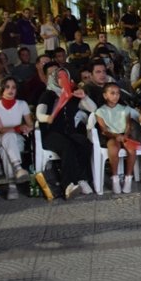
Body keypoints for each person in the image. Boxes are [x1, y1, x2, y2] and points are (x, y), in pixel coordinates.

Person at [35, 63, 95, 199]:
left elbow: (93, 109)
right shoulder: (48, 95)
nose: (63, 81)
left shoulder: (73, 95)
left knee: (84, 143)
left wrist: (84, 97)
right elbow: (39, 114)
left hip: (69, 132)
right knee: (67, 146)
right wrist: (47, 118)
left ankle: (82, 178)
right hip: (51, 134)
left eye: (65, 77)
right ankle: (67, 184)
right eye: (59, 77)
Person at [0, 77, 33, 198]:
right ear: (1, 89)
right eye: (7, 87)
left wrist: (28, 128)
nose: (10, 90)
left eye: (13, 87)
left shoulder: (22, 104)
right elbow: (1, 130)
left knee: (5, 149)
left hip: (16, 142)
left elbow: (30, 124)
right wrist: (19, 128)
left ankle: (12, 186)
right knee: (7, 136)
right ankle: (18, 168)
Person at [94, 83, 138, 194]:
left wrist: (125, 136)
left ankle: (128, 178)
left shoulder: (125, 109)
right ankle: (115, 178)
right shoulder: (100, 111)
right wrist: (115, 136)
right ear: (105, 96)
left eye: (118, 93)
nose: (116, 96)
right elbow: (104, 129)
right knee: (113, 149)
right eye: (112, 93)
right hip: (111, 136)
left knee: (132, 150)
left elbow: (128, 125)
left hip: (125, 135)